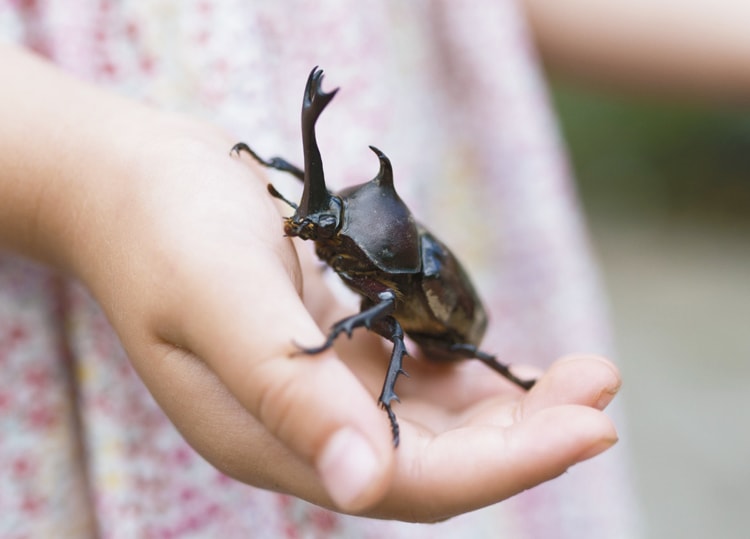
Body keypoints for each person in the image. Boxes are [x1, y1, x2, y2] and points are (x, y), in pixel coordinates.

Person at [0, 2, 637, 537]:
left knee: (406, 322)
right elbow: (322, 210)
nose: (313, 222)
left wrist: (339, 337)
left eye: (326, 222)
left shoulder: (395, 273)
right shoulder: (360, 236)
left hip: (447, 332)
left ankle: (433, 388)